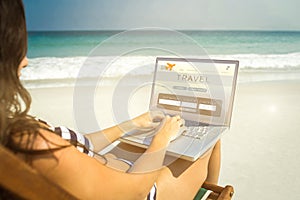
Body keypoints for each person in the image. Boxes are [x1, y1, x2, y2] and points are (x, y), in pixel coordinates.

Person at [0, 0, 221, 199]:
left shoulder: (10, 132)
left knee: (191, 132)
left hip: (113, 171)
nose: (26, 60)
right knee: (210, 133)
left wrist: (130, 125)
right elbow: (135, 191)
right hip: (143, 190)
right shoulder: (34, 145)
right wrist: (162, 138)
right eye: (17, 48)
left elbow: (78, 145)